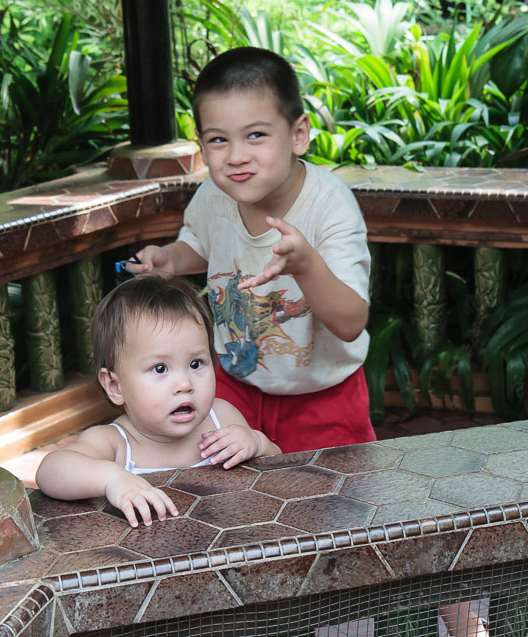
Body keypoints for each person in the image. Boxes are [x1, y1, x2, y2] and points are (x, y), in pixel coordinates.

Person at [127, 46, 376, 453]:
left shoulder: (330, 206)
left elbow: (351, 322)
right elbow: (201, 245)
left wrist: (306, 266)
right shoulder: (214, 195)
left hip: (321, 395)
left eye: (256, 135)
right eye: (218, 140)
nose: (237, 156)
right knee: (222, 478)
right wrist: (170, 259)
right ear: (202, 143)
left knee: (328, 487)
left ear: (298, 134)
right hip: (233, 384)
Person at [34, 275, 280, 527]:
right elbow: (50, 471)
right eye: (160, 368)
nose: (184, 384)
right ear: (115, 386)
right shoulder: (117, 443)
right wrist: (113, 479)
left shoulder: (222, 418)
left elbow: (280, 472)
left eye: (196, 363)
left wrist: (258, 444)